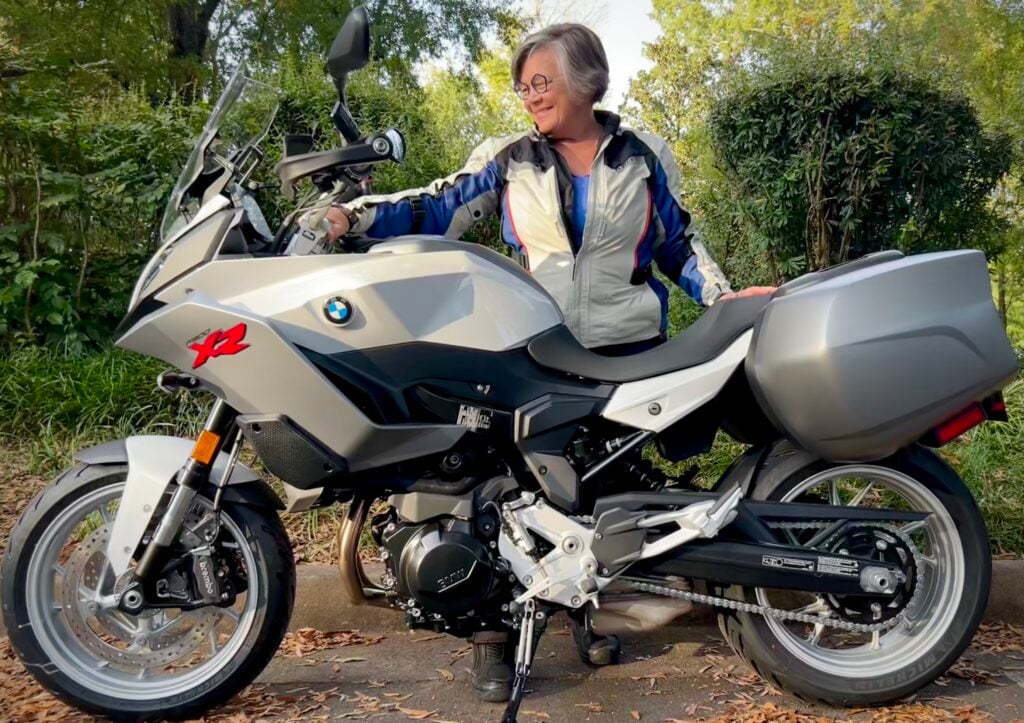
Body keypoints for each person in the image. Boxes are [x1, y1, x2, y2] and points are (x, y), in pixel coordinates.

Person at [325, 23, 773, 703]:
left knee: (597, 498)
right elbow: (436, 207)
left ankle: (589, 614)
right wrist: (351, 219)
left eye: (543, 81)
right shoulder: (509, 158)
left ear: (587, 80)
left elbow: (678, 244)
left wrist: (723, 297)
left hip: (627, 348)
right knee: (506, 492)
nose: (530, 95)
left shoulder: (642, 156)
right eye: (524, 84)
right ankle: (492, 640)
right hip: (534, 345)